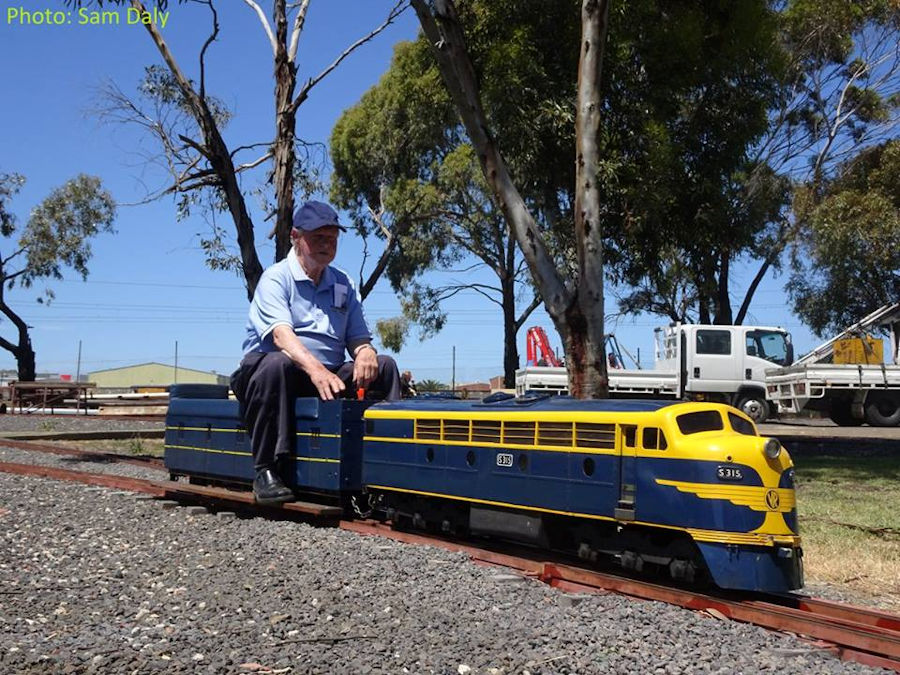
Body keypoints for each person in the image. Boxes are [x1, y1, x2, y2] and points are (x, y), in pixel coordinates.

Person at [231, 200, 401, 504]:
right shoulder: (276, 278)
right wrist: (316, 369)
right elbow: (282, 337)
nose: (327, 244)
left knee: (384, 365)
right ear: (296, 237)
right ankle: (266, 470)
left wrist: (365, 353)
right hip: (271, 374)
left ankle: (391, 462)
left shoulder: (343, 283)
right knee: (276, 365)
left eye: (332, 239)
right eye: (318, 238)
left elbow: (359, 338)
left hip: (325, 373)